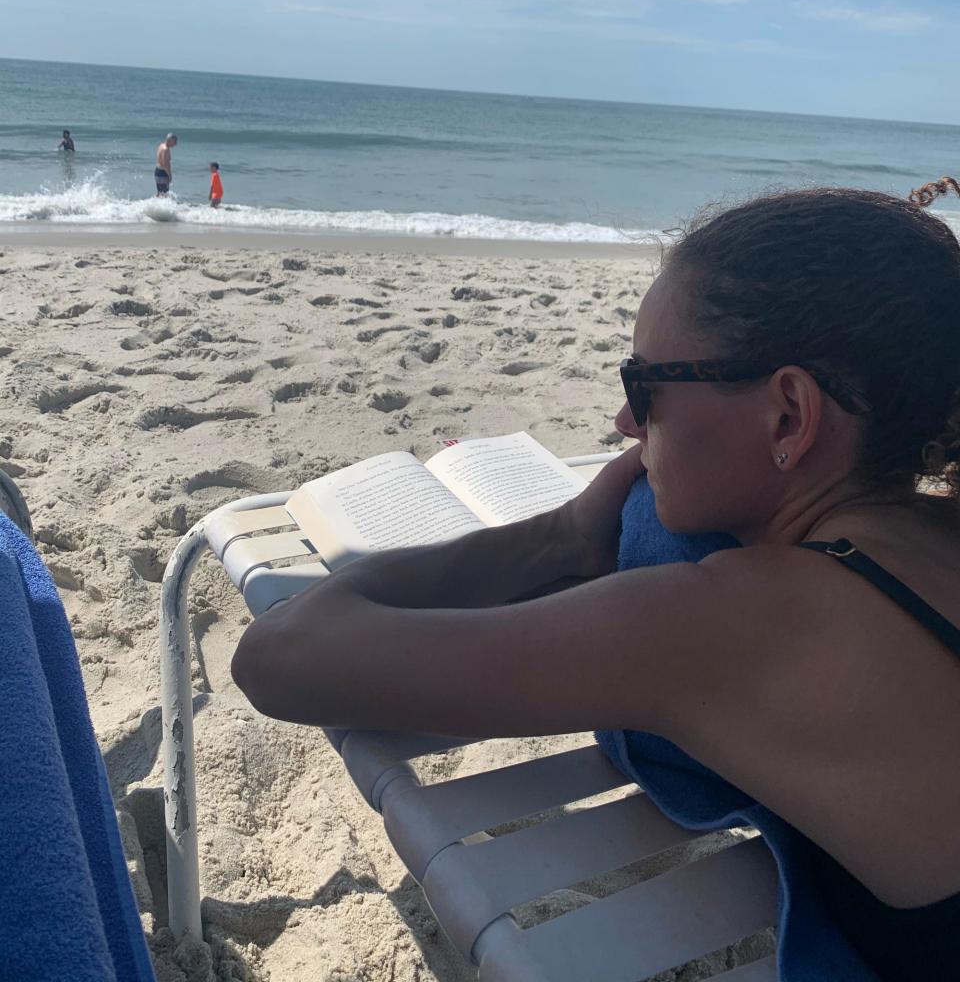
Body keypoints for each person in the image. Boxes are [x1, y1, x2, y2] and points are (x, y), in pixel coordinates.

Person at [232, 185, 960, 980]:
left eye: (647, 385)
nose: (624, 420)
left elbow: (280, 655)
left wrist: (563, 534)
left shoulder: (732, 626)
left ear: (788, 416)